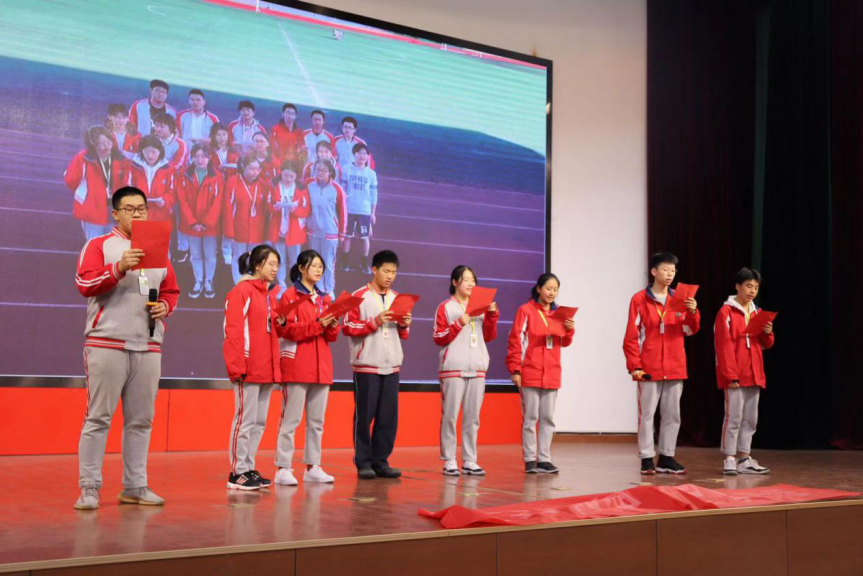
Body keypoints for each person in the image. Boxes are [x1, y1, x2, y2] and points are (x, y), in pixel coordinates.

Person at [73, 186, 180, 510]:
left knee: (141, 421)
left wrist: (164, 306)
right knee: (98, 418)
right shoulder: (99, 245)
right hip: (107, 341)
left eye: (142, 209)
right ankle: (89, 488)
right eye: (130, 209)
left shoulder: (157, 248)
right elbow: (84, 283)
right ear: (115, 214)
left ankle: (135, 486)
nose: (137, 214)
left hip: (148, 345)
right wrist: (118, 268)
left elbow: (170, 290)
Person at [622, 252, 700, 475]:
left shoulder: (680, 299)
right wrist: (635, 366)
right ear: (654, 271)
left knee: (672, 415)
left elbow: (690, 330)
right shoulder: (640, 299)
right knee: (647, 414)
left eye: (673, 271)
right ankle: (647, 457)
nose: (670, 274)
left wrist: (693, 312)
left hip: (675, 366)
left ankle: (666, 457)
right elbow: (631, 336)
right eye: (665, 270)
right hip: (649, 367)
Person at [342, 250, 411, 480]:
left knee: (387, 418)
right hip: (367, 365)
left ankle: (381, 461)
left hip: (391, 365)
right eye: (386, 271)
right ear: (374, 270)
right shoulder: (358, 296)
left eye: (394, 272)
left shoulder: (398, 298)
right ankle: (363, 462)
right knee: (364, 416)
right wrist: (375, 321)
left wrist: (404, 324)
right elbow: (348, 326)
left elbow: (403, 334)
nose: (390, 276)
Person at [273, 250, 340, 485]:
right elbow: (288, 330)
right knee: (290, 420)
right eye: (314, 266)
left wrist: (332, 324)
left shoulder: (325, 298)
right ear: (302, 268)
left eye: (321, 266)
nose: (319, 270)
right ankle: (283, 467)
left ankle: (313, 466)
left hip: (321, 366)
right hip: (297, 365)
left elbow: (331, 337)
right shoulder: (289, 296)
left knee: (317, 422)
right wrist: (318, 323)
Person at [223, 244, 282, 491]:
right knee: (244, 421)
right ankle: (236, 472)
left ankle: (248, 467)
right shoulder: (242, 291)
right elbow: (233, 329)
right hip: (248, 368)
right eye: (271, 264)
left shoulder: (269, 295)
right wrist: (237, 365)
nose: (275, 269)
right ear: (257, 265)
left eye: (277, 265)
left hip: (266, 369)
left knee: (258, 422)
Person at [433, 265, 499, 476]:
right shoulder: (445, 307)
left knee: (473, 418)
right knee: (450, 416)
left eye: (473, 280)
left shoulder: (481, 308)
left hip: (477, 367)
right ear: (455, 282)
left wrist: (491, 316)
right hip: (453, 368)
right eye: (466, 279)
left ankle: (470, 459)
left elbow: (489, 336)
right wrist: (459, 323)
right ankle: (449, 459)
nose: (471, 284)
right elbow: (439, 337)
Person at [506, 273, 575, 474]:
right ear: (539, 289)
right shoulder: (526, 310)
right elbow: (516, 340)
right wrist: (515, 369)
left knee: (548, 418)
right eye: (548, 288)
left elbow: (564, 342)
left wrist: (569, 330)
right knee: (530, 417)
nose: (552, 293)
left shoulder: (560, 314)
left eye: (555, 289)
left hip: (552, 373)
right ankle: (530, 459)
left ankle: (544, 459)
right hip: (530, 372)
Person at [715, 267, 775, 475]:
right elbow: (723, 346)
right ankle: (729, 458)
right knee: (733, 417)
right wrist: (730, 375)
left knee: (750, 419)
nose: (752, 291)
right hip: (735, 375)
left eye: (756, 287)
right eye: (749, 286)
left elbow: (766, 344)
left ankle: (744, 458)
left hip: (754, 373)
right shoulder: (726, 312)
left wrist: (768, 333)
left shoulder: (757, 312)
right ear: (737, 286)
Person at [175, 144, 224, 299]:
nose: (200, 160)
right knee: (195, 255)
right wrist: (192, 222)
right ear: (192, 158)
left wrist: (206, 223)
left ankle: (209, 281)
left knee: (210, 255)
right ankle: (198, 281)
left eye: (203, 156)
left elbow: (218, 202)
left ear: (209, 158)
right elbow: (182, 200)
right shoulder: (184, 175)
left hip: (210, 226)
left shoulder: (217, 176)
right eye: (196, 156)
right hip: (191, 224)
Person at [64, 125, 129, 241]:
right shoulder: (83, 158)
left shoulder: (121, 159)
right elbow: (70, 180)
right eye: (101, 143)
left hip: (115, 209)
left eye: (108, 141)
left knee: (112, 244)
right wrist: (86, 194)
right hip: (92, 209)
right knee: (94, 244)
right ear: (93, 145)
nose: (106, 146)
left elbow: (128, 183)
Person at [223, 155, 273, 284]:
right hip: (239, 227)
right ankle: (239, 283)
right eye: (252, 168)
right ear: (244, 167)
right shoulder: (232, 182)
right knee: (239, 257)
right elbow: (228, 208)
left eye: (257, 169)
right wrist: (229, 231)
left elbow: (268, 209)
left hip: (258, 228)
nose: (255, 172)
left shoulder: (264, 185)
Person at [267, 161, 310, 295]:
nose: (288, 179)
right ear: (281, 173)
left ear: (296, 176)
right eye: (286, 175)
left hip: (294, 229)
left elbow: (306, 210)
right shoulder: (273, 186)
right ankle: (281, 284)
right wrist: (274, 208)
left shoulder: (301, 189)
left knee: (295, 259)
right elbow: (267, 205)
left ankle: (295, 283)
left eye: (292, 176)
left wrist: (295, 210)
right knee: (279, 258)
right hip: (278, 227)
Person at [305, 160, 347, 296]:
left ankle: (329, 288)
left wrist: (342, 232)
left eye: (324, 170)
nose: (320, 173)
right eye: (318, 169)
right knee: (314, 261)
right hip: (312, 230)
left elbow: (343, 211)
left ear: (330, 172)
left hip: (330, 231)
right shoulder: (308, 185)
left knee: (328, 262)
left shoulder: (337, 188)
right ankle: (316, 286)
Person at [338, 143, 378, 273]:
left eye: (365, 154)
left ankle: (364, 263)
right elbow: (342, 191)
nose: (362, 156)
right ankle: (344, 262)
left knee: (364, 238)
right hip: (349, 210)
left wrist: (373, 213)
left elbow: (374, 195)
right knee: (347, 237)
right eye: (359, 153)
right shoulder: (346, 169)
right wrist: (340, 209)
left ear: (368, 156)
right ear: (354, 154)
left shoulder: (371, 174)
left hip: (364, 210)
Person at [209, 122, 239, 266]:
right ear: (213, 136)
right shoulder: (209, 151)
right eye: (219, 135)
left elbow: (241, 169)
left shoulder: (234, 152)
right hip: (213, 189)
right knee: (213, 220)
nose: (222, 137)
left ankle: (227, 250)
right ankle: (213, 250)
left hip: (230, 190)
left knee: (228, 220)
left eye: (224, 134)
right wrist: (216, 170)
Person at [126, 135, 174, 223]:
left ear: (160, 151)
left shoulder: (168, 168)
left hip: (161, 215)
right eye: (146, 151)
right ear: (142, 151)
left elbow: (172, 191)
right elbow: (128, 187)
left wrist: (165, 200)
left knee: (159, 232)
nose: (150, 156)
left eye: (153, 152)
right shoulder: (133, 166)